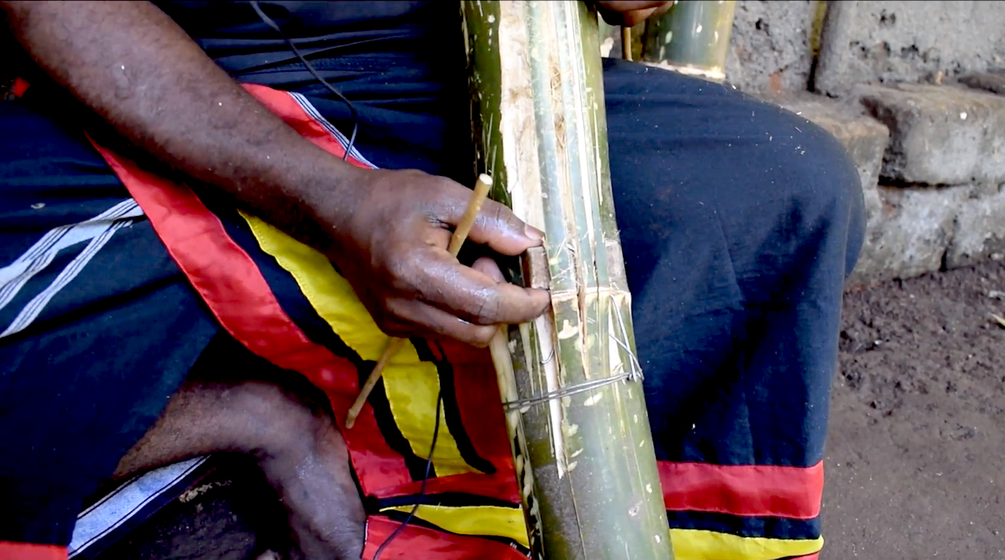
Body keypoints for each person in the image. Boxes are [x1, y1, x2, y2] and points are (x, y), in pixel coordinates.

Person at [0, 1, 864, 559]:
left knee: (786, 195)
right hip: (151, 95)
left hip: (436, 83)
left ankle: (456, 510)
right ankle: (245, 412)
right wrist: (331, 201)